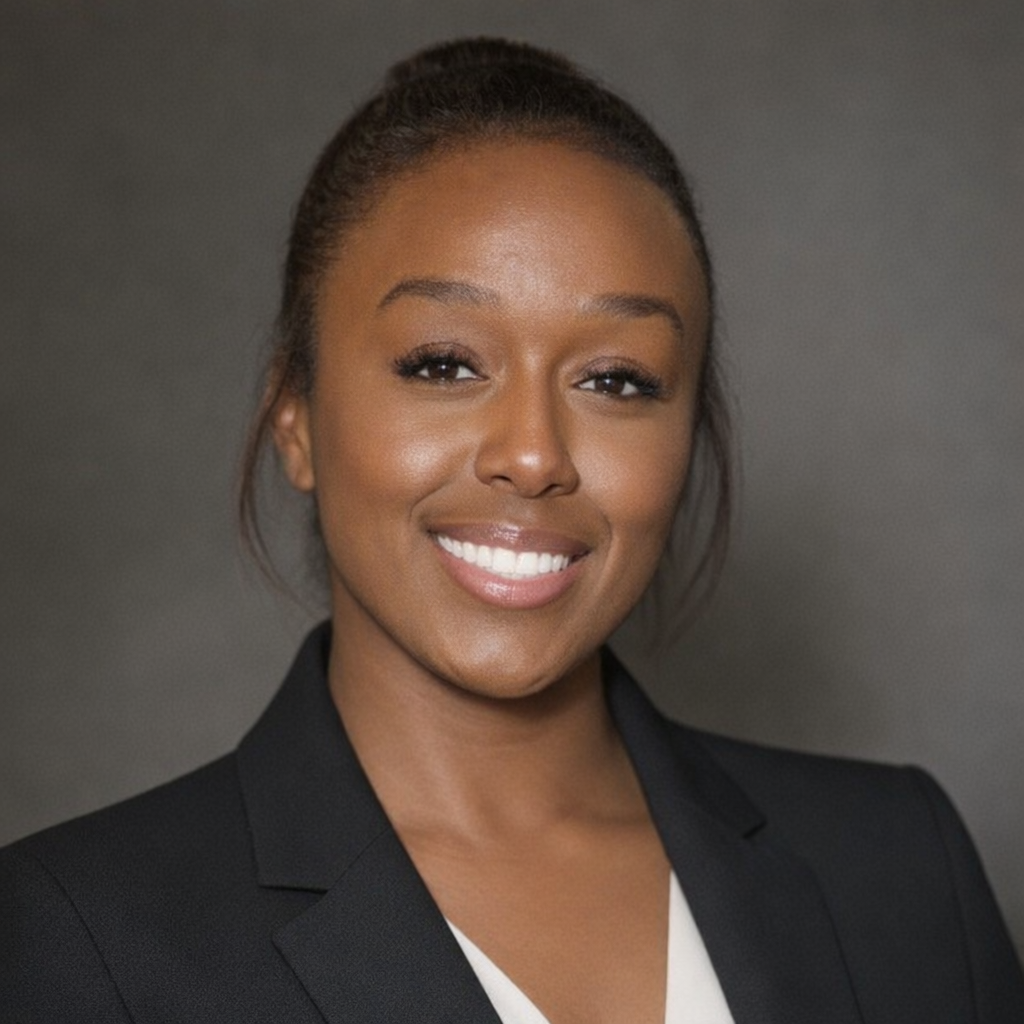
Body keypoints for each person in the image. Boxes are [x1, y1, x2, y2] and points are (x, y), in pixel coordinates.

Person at [1, 37, 1021, 1024]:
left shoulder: (900, 866)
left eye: (616, 379)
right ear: (296, 419)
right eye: (444, 363)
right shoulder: (76, 937)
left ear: (689, 440)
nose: (533, 454)